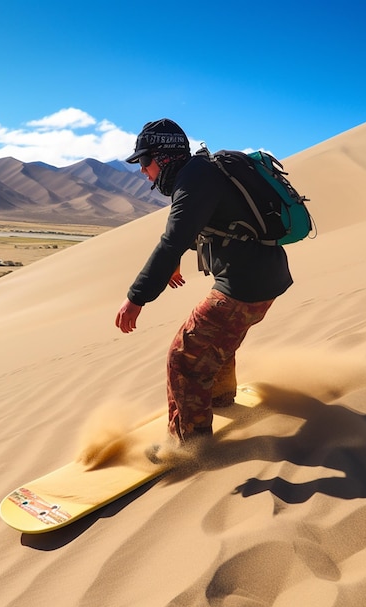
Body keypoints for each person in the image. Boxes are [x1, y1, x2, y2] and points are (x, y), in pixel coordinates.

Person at [115, 119, 292, 445]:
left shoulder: (194, 180)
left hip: (242, 286)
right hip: (265, 279)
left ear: (164, 156)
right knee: (217, 347)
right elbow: (206, 224)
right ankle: (220, 401)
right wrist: (175, 261)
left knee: (183, 358)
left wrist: (135, 298)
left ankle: (190, 445)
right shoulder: (202, 172)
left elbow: (172, 239)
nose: (142, 170)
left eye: (144, 161)